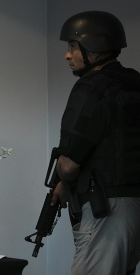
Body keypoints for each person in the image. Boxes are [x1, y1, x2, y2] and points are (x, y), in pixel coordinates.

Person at [51, 11, 140, 275]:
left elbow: (67, 165)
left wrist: (62, 180)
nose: (67, 55)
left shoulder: (90, 87)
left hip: (108, 212)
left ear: (93, 48)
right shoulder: (134, 82)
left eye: (72, 46)